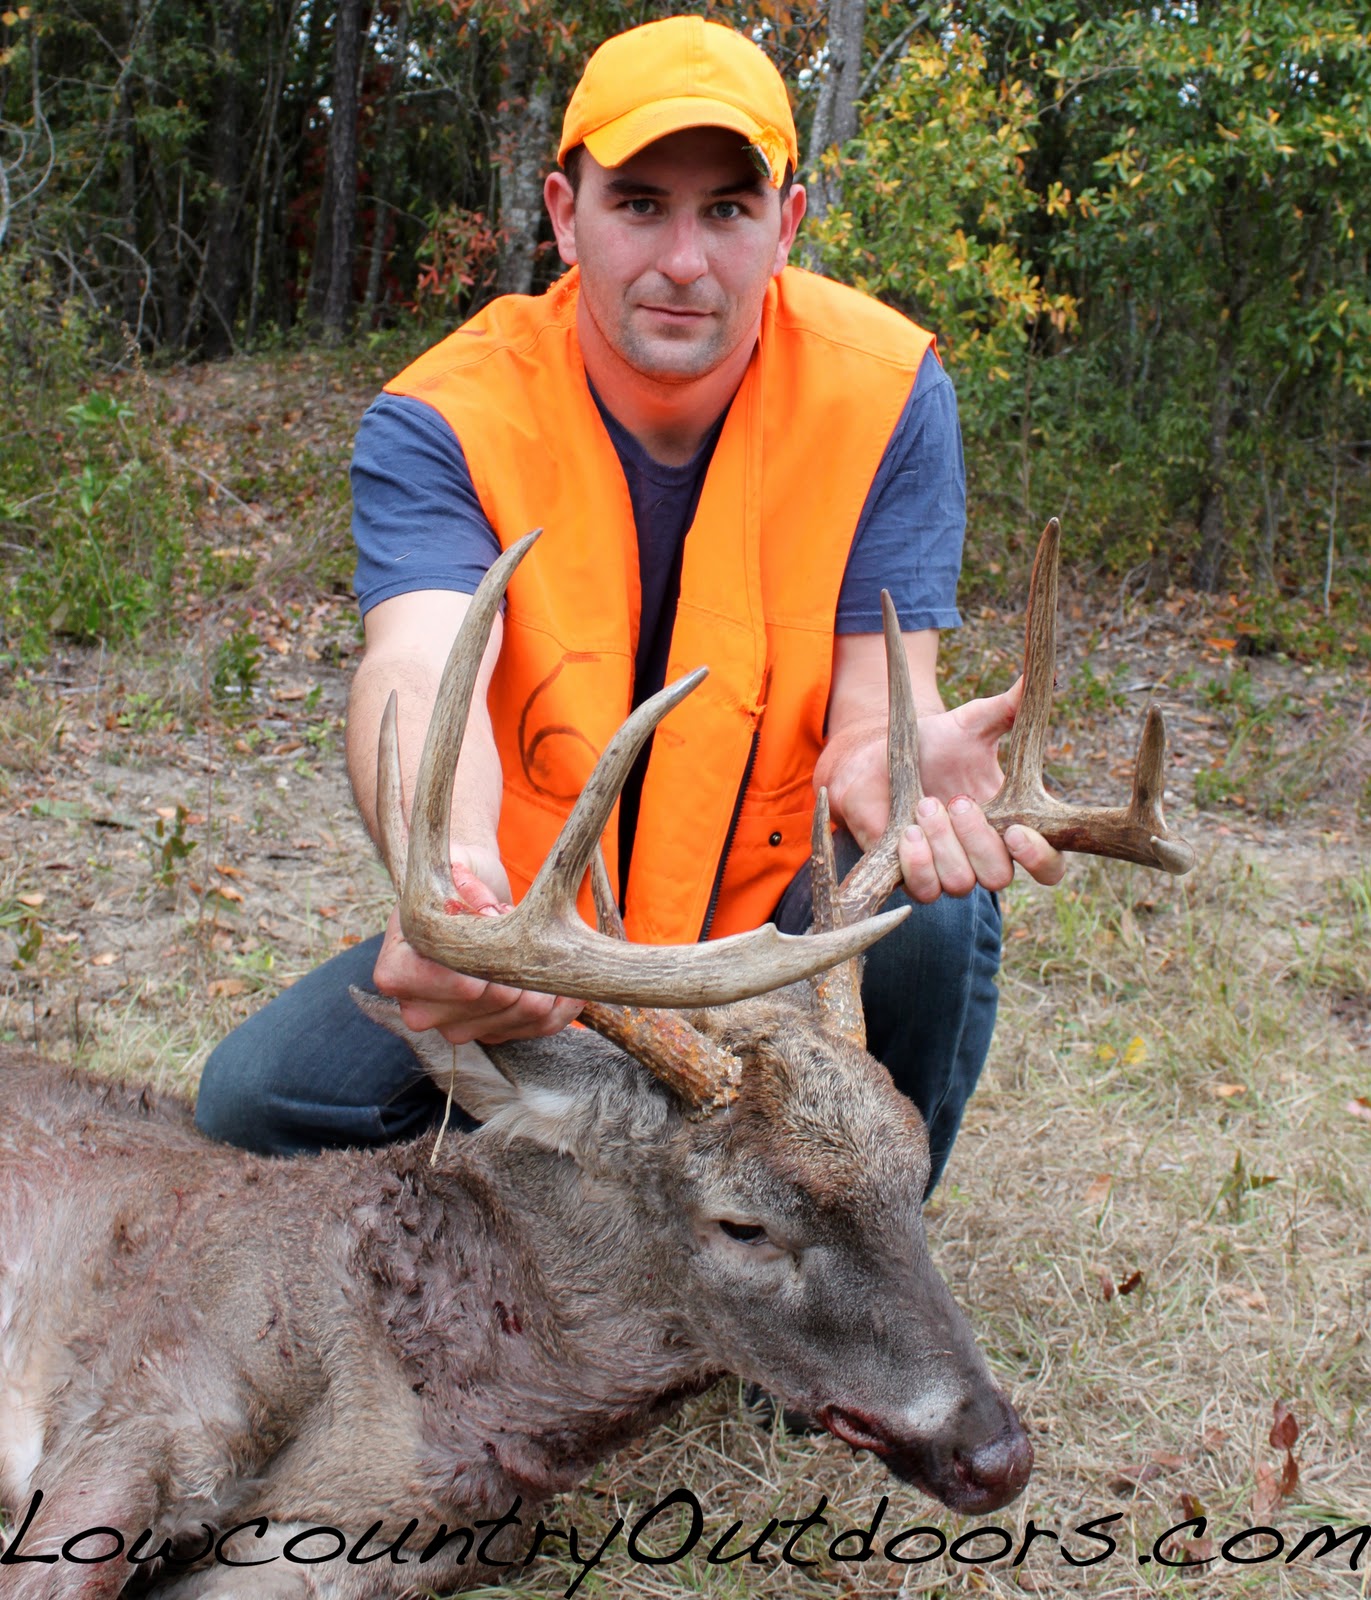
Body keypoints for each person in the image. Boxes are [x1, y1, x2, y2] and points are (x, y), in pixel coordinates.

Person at [196, 16, 1064, 1189]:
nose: (684, 261)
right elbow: (414, 661)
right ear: (564, 213)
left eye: (727, 210)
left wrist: (890, 773)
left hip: (774, 957)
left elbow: (882, 704)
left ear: (787, 225)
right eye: (640, 203)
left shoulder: (885, 394)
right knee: (253, 1104)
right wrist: (453, 878)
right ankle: (579, 1230)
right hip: (540, 962)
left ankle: (839, 1289)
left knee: (930, 907)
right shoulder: (447, 415)